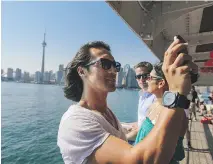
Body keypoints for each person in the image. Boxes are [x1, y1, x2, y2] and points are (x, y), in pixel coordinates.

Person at [57, 40, 198, 164]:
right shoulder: (75, 121)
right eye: (105, 64)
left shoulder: (106, 113)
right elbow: (142, 161)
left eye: (115, 65)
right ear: (82, 71)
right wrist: (176, 92)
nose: (113, 70)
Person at [134, 62, 188, 163]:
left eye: (149, 77)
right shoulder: (153, 105)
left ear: (161, 83)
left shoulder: (174, 114)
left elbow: (177, 154)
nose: (146, 80)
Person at [125, 62, 155, 142]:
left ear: (151, 76)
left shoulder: (155, 98)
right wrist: (137, 123)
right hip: (140, 134)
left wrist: (122, 138)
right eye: (138, 77)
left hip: (146, 141)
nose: (141, 79)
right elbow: (144, 119)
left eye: (145, 76)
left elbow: (150, 128)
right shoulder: (142, 95)